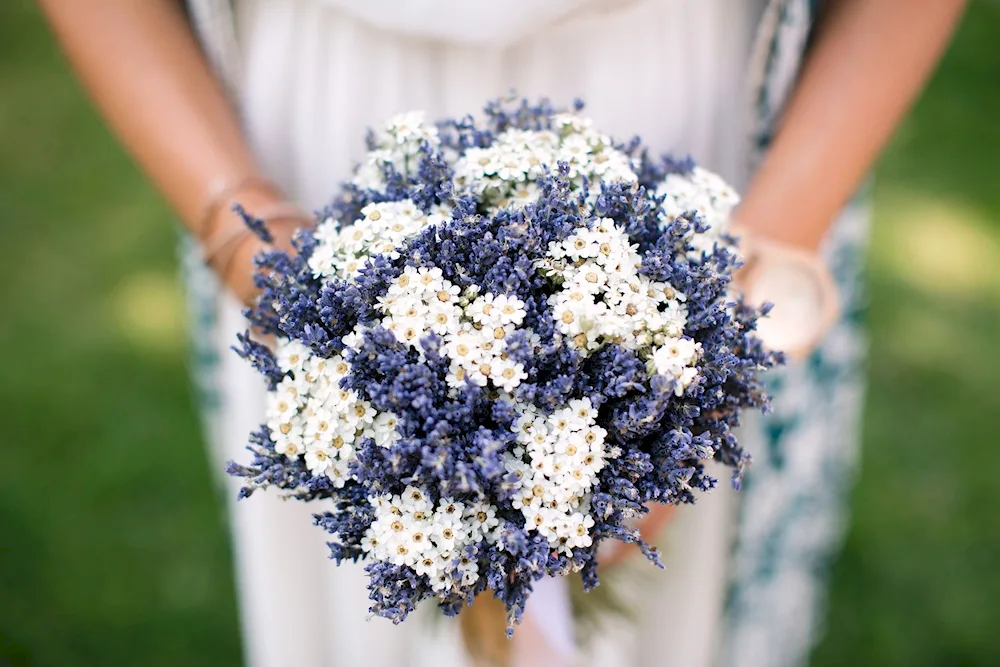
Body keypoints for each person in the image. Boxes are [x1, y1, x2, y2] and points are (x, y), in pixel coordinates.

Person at [37, 1, 966, 665]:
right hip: (305, 148)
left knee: (681, 613)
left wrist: (736, 289)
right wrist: (246, 234)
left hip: (692, 130)